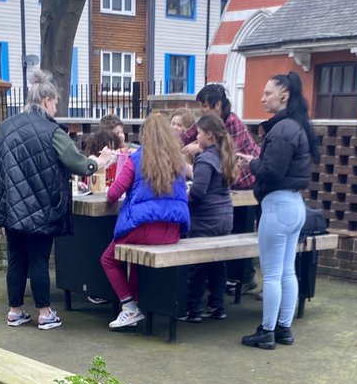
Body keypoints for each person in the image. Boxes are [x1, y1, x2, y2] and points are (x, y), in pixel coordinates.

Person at [0, 68, 113, 330]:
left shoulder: (6, 127)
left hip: (11, 208)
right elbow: (76, 163)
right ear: (47, 100)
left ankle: (15, 311)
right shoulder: (51, 131)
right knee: (38, 261)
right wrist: (98, 163)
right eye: (56, 102)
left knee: (16, 259)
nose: (57, 108)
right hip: (41, 208)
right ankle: (45, 313)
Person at [236, 72, 319, 350]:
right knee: (286, 271)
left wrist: (251, 165)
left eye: (268, 93)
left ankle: (267, 331)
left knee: (271, 274)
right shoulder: (296, 126)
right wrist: (258, 161)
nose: (262, 98)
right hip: (295, 205)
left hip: (278, 206)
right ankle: (283, 328)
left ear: (284, 95)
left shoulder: (282, 129)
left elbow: (271, 171)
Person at [100, 110, 190, 330]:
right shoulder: (177, 162)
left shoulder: (136, 158)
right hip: (172, 231)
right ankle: (138, 303)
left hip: (142, 228)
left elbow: (113, 194)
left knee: (108, 259)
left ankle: (130, 307)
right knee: (136, 261)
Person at [181, 84, 260, 290]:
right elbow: (185, 136)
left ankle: (244, 279)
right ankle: (221, 292)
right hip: (225, 192)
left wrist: (200, 148)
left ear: (217, 105)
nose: (202, 110)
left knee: (238, 227)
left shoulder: (232, 123)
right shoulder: (206, 125)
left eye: (205, 106)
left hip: (246, 181)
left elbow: (228, 154)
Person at [183, 113, 237, 323]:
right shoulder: (224, 155)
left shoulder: (206, 158)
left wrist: (182, 197)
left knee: (197, 265)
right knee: (217, 263)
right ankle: (218, 305)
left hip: (206, 220)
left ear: (210, 136)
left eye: (199, 133)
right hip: (225, 217)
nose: (196, 137)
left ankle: (193, 309)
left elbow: (198, 193)